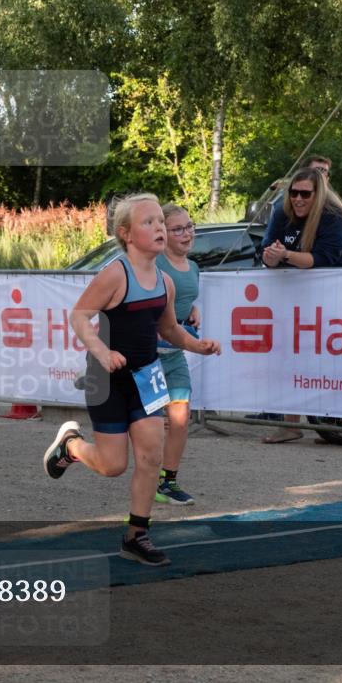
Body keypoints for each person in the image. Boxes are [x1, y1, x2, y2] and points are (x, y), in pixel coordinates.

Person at [43, 194, 221, 566]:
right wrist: (101, 352)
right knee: (112, 466)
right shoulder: (114, 274)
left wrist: (198, 346)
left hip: (147, 376)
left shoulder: (165, 282)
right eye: (149, 223)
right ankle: (72, 446)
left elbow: (170, 329)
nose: (159, 228)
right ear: (125, 234)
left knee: (151, 455)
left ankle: (136, 535)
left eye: (161, 222)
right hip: (106, 379)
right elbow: (79, 317)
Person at [260, 166, 342, 443]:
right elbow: (267, 253)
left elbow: (322, 259)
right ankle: (290, 423)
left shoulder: (334, 217)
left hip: (339, 295)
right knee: (290, 354)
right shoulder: (282, 213)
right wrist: (271, 257)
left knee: (336, 358)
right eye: (294, 193)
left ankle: (341, 423)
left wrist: (286, 255)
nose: (298, 199)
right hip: (298, 298)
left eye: (305, 193)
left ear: (318, 195)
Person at [153, 203, 201, 505]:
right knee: (150, 426)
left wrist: (191, 311)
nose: (187, 233)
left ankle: (167, 482)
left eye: (190, 226)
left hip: (174, 354)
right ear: (163, 234)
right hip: (147, 357)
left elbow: (183, 298)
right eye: (178, 229)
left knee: (181, 418)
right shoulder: (155, 264)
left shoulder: (194, 266)